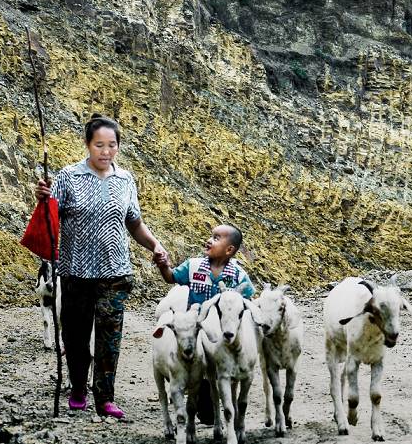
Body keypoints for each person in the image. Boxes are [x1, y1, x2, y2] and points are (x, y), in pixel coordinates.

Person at [35, 114, 169, 419]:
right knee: (75, 336)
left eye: (112, 145)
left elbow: (134, 222)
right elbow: (49, 219)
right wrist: (42, 199)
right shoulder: (68, 177)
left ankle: (105, 397)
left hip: (114, 272)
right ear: (87, 144)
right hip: (75, 272)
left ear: (118, 147)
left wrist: (155, 244)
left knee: (110, 338)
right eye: (99, 145)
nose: (105, 151)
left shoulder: (125, 180)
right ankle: (79, 388)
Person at [152, 223, 254, 422]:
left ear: (230, 250)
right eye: (211, 236)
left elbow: (247, 300)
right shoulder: (193, 266)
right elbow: (171, 277)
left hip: (222, 334)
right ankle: (197, 393)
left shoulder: (238, 276)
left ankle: (224, 407)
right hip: (197, 330)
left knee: (220, 372)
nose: (209, 240)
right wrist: (163, 265)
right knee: (198, 368)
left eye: (216, 238)